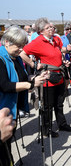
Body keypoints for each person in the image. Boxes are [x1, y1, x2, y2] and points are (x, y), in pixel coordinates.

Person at [20, 18, 71, 138]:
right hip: (47, 77)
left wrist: (66, 52)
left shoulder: (56, 38)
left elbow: (60, 50)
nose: (51, 29)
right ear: (41, 31)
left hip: (59, 74)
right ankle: (47, 129)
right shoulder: (37, 41)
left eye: (52, 27)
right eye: (48, 27)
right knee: (47, 105)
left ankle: (62, 124)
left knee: (59, 103)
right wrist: (32, 63)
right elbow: (22, 53)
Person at [0, 26, 47, 163]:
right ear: (7, 42)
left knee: (7, 146)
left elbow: (23, 77)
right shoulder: (1, 58)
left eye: (23, 46)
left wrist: (36, 78)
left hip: (12, 109)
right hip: (3, 109)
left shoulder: (15, 57)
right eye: (19, 46)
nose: (21, 50)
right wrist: (30, 85)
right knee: (3, 149)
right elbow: (5, 85)